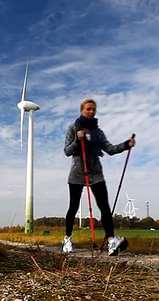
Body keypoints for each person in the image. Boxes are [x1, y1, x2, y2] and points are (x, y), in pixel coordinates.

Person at [62, 99, 136, 255]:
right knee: (73, 207)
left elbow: (110, 149)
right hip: (77, 173)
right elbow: (67, 151)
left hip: (96, 173)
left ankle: (111, 241)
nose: (91, 112)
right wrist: (78, 140)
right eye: (88, 109)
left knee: (104, 207)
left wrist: (125, 145)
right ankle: (67, 238)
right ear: (82, 110)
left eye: (93, 109)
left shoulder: (98, 132)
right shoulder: (73, 128)